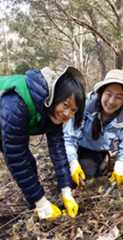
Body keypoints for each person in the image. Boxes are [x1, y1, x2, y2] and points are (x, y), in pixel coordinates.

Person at [0, 66, 86, 220]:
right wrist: (41, 202)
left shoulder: (51, 106)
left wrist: (66, 191)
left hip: (6, 124)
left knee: (29, 162)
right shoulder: (18, 103)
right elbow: (16, 157)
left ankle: (35, 206)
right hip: (6, 117)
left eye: (73, 110)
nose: (67, 114)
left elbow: (57, 149)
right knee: (22, 160)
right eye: (65, 105)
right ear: (56, 96)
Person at [64, 69, 123, 187]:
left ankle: (101, 164)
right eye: (108, 94)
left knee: (88, 173)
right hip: (79, 147)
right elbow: (69, 138)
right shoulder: (84, 107)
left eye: (118, 97)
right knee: (69, 177)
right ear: (101, 93)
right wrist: (72, 161)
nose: (111, 101)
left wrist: (122, 163)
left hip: (99, 151)